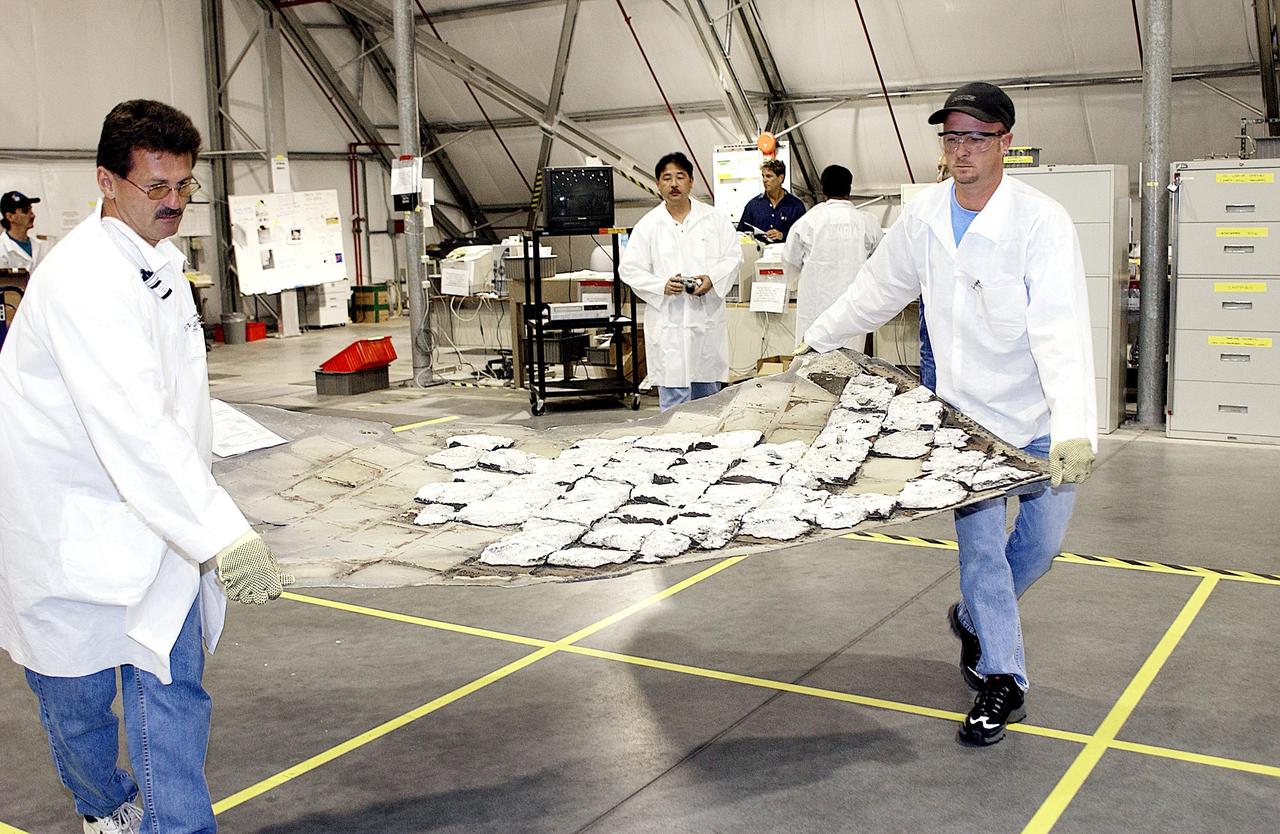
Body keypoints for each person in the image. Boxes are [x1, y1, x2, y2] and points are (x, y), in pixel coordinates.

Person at [0, 100, 291, 833]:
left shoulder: (157, 262)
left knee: (172, 695)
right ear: (106, 180)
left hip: (161, 520)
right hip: (72, 523)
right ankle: (105, 807)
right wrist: (220, 531)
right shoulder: (83, 281)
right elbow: (131, 420)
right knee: (77, 701)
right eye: (155, 187)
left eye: (184, 187)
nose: (173, 204)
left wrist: (197, 513)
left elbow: (167, 410)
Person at [803, 82, 1097, 746]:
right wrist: (819, 337)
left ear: (1005, 144)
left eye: (976, 137)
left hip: (1040, 413)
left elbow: (1060, 327)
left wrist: (1076, 423)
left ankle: (973, 618)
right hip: (965, 424)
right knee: (983, 554)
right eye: (951, 137)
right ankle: (1003, 679)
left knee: (1042, 547)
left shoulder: (1040, 222)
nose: (961, 150)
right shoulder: (925, 217)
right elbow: (879, 288)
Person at [620, 151, 742, 411]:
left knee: (708, 402)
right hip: (669, 326)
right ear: (658, 184)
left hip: (705, 324)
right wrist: (660, 286)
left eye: (679, 177)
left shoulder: (714, 219)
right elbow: (629, 269)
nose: (673, 184)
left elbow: (733, 256)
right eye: (667, 178)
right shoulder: (648, 225)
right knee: (673, 406)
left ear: (691, 181)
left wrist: (711, 279)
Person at [781, 164, 883, 345]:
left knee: (812, 362)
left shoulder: (807, 222)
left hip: (814, 306)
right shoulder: (868, 223)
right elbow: (881, 265)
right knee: (850, 362)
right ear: (849, 189)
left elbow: (790, 262)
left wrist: (792, 284)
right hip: (853, 308)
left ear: (822, 189)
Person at [737, 158, 806, 242]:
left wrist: (782, 235)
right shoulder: (753, 205)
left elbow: (803, 235)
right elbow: (740, 234)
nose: (764, 180)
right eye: (763, 176)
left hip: (785, 253)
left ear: (780, 178)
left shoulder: (796, 206)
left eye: (769, 176)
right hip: (759, 253)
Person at [0, 190, 50, 271]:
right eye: (25, 211)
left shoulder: (41, 246)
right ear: (10, 217)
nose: (33, 215)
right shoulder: (2, 249)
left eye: (31, 209)